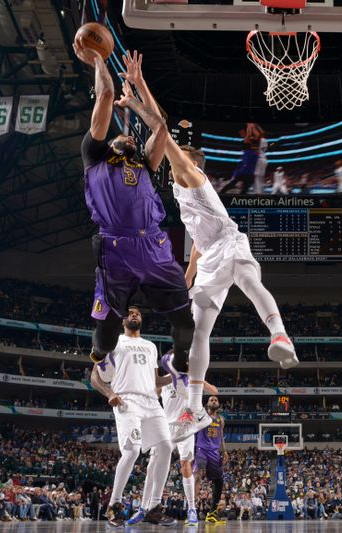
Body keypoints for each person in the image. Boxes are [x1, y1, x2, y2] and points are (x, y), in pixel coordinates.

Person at [114, 54, 298, 440]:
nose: (166, 160)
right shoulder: (183, 199)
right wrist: (185, 284)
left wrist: (137, 93)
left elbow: (161, 125)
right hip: (211, 255)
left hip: (231, 242)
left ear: (189, 162)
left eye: (173, 157)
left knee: (248, 280)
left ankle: (279, 335)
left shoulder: (191, 175)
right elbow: (196, 252)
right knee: (197, 330)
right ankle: (195, 409)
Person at [71, 43, 194, 377]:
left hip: (153, 244)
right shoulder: (94, 155)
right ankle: (99, 354)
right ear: (110, 143)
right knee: (108, 335)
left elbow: (161, 129)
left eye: (130, 138)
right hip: (116, 246)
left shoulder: (142, 163)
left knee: (186, 321)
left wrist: (138, 91)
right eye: (120, 136)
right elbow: (106, 95)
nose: (125, 136)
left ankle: (179, 363)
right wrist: (98, 58)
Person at [89, 306, 176, 527]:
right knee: (132, 451)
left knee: (166, 447)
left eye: (137, 313)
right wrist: (110, 393)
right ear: (122, 321)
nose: (134, 314)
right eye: (129, 313)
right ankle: (114, 506)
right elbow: (94, 377)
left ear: (142, 319)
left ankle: (153, 508)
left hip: (151, 401)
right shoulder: (113, 342)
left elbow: (156, 381)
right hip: (127, 400)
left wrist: (176, 375)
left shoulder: (151, 346)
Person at [159, 377, 219, 527]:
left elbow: (214, 391)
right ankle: (147, 507)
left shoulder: (190, 378)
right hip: (166, 427)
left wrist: (201, 381)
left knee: (186, 466)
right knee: (156, 465)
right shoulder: (164, 380)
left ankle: (192, 509)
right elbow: (151, 394)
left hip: (186, 426)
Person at [193, 395, 228, 524]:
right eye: (211, 400)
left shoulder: (221, 419)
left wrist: (224, 451)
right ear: (207, 404)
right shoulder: (202, 415)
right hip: (201, 450)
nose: (213, 401)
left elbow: (221, 436)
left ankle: (212, 513)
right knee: (198, 476)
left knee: (219, 481)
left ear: (218, 404)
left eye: (216, 400)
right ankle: (192, 511)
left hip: (214, 452)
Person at [219, 123, 265, 194]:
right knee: (233, 185)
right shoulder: (248, 145)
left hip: (248, 172)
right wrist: (251, 127)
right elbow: (256, 135)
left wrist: (251, 126)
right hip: (245, 170)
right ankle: (220, 195)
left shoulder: (254, 145)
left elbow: (260, 134)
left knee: (243, 190)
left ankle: (223, 195)